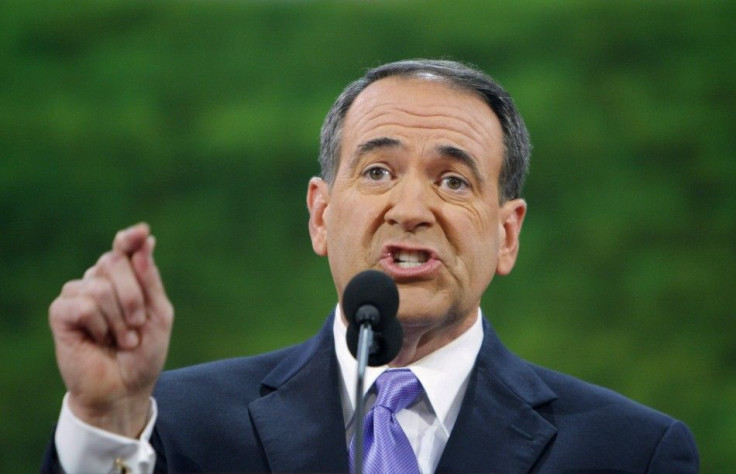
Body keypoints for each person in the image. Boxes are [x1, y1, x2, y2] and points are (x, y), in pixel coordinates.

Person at [42, 59, 699, 473]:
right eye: (378, 171)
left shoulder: (629, 454)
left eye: (453, 181)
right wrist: (106, 424)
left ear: (507, 234)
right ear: (320, 215)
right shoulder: (169, 430)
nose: (410, 207)